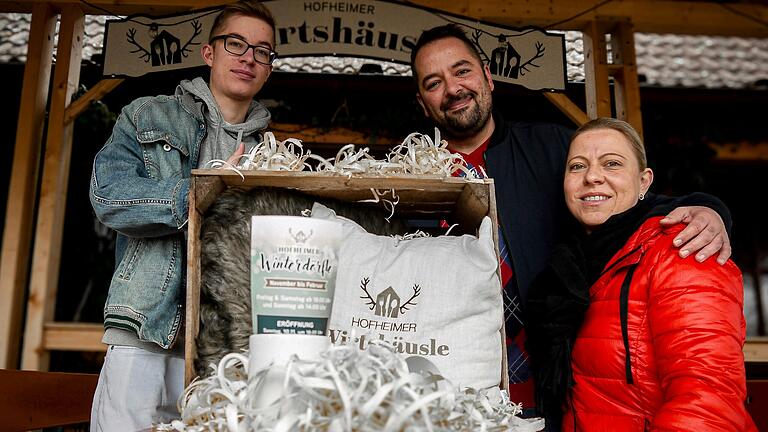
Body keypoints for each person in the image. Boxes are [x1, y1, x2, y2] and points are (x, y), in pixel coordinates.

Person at [409, 24, 732, 411]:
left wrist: (709, 208)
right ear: (423, 102)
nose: (453, 89)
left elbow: (627, 196)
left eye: (462, 71)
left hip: (552, 390)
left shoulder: (555, 148)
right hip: (448, 392)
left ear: (487, 77)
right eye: (434, 82)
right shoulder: (406, 178)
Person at [88, 1, 276, 429]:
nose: (249, 57)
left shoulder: (275, 153)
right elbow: (109, 196)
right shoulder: (147, 115)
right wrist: (199, 192)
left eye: (262, 51)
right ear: (209, 53)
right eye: (236, 44)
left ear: (268, 69)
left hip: (227, 349)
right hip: (148, 334)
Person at [525, 118, 755, 431]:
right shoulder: (572, 269)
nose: (592, 176)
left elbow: (707, 403)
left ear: (644, 181)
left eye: (612, 163)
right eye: (577, 166)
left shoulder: (683, 248)